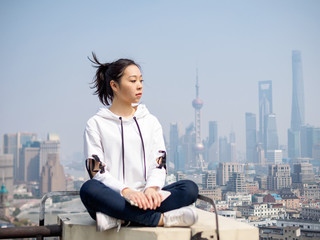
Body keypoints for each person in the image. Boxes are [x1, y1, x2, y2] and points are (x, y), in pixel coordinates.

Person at [80, 53, 199, 231]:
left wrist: (151, 189)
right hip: (115, 198)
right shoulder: (96, 124)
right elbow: (96, 170)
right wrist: (127, 192)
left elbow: (159, 163)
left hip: (147, 199)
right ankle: (160, 220)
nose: (139, 86)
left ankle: (122, 219)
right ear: (114, 86)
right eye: (133, 81)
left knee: (189, 188)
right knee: (89, 189)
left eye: (141, 81)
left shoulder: (150, 121)